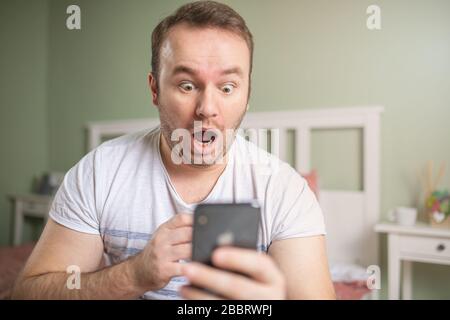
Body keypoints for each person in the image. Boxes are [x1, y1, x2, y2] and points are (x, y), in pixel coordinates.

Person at [12, 0, 335, 299]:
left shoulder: (285, 191)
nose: (207, 108)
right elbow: (27, 292)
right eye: (187, 85)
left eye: (227, 87)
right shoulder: (99, 173)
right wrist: (133, 275)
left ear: (247, 94)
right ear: (155, 89)